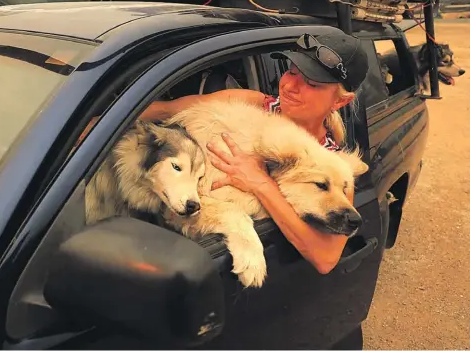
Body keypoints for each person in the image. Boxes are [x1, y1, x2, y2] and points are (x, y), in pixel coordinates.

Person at [135, 32, 370, 275]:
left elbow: (325, 258)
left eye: (311, 84)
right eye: (291, 72)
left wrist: (260, 184)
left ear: (340, 102)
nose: (290, 86)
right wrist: (94, 125)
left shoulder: (334, 168)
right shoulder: (248, 103)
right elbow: (162, 111)